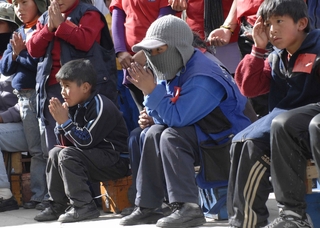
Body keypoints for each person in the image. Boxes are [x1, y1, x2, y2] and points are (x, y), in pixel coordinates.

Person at [119, 15, 254, 227]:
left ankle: (187, 207)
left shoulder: (203, 75)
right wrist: (151, 114)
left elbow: (177, 118)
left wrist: (150, 90)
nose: (153, 56)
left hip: (229, 140)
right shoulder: (177, 64)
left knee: (171, 136)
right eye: (150, 51)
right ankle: (149, 206)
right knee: (150, 133)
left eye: (158, 50)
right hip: (204, 131)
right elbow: (167, 111)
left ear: (177, 46)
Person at [226, 0, 320, 227]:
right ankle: (245, 222)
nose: (272, 30)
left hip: (306, 122)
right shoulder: (276, 56)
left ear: (302, 23)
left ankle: (293, 216)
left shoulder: (317, 46)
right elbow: (249, 88)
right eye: (268, 24)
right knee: (243, 141)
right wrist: (257, 49)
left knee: (282, 124)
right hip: (284, 124)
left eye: (279, 21)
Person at [33, 59, 130, 223]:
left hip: (116, 160)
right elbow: (66, 143)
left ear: (85, 87)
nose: (63, 91)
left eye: (67, 86)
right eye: (62, 86)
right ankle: (57, 205)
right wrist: (60, 123)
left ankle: (84, 206)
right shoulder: (74, 105)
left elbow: (86, 141)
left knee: (67, 155)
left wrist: (65, 122)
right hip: (94, 158)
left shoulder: (100, 105)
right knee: (56, 152)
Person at [26, 0, 117, 153]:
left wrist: (62, 25)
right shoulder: (45, 18)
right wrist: (49, 28)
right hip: (52, 90)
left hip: (83, 92)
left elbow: (85, 41)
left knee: (84, 144)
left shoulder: (88, 13)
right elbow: (33, 49)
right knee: (55, 146)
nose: (59, 1)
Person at [0, 0, 49, 210]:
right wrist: (14, 53)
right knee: (38, 150)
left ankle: (42, 195)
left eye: (24, 3)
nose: (20, 9)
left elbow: (39, 68)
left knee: (42, 149)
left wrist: (20, 53)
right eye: (16, 4)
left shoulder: (42, 30)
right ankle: (38, 195)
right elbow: (7, 67)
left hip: (35, 100)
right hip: (24, 102)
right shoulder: (18, 34)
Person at [109, 0, 176, 111]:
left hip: (159, 59)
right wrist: (120, 51)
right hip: (131, 61)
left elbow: (164, 20)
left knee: (162, 108)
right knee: (143, 113)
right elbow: (117, 18)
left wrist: (147, 52)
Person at [0, 2, 23, 212]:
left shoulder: (23, 55)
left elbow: (26, 103)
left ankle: (4, 195)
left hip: (27, 126)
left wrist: (2, 117)